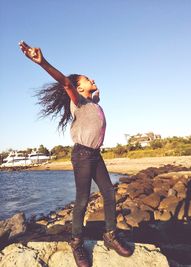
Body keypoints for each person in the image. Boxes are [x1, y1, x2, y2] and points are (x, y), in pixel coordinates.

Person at [19, 41, 132, 267]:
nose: (93, 81)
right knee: (82, 199)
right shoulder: (78, 101)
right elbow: (64, 81)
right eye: (88, 80)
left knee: (109, 193)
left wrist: (96, 99)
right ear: (78, 88)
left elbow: (94, 110)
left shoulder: (91, 103)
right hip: (81, 155)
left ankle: (110, 235)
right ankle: (76, 241)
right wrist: (43, 62)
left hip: (95, 155)